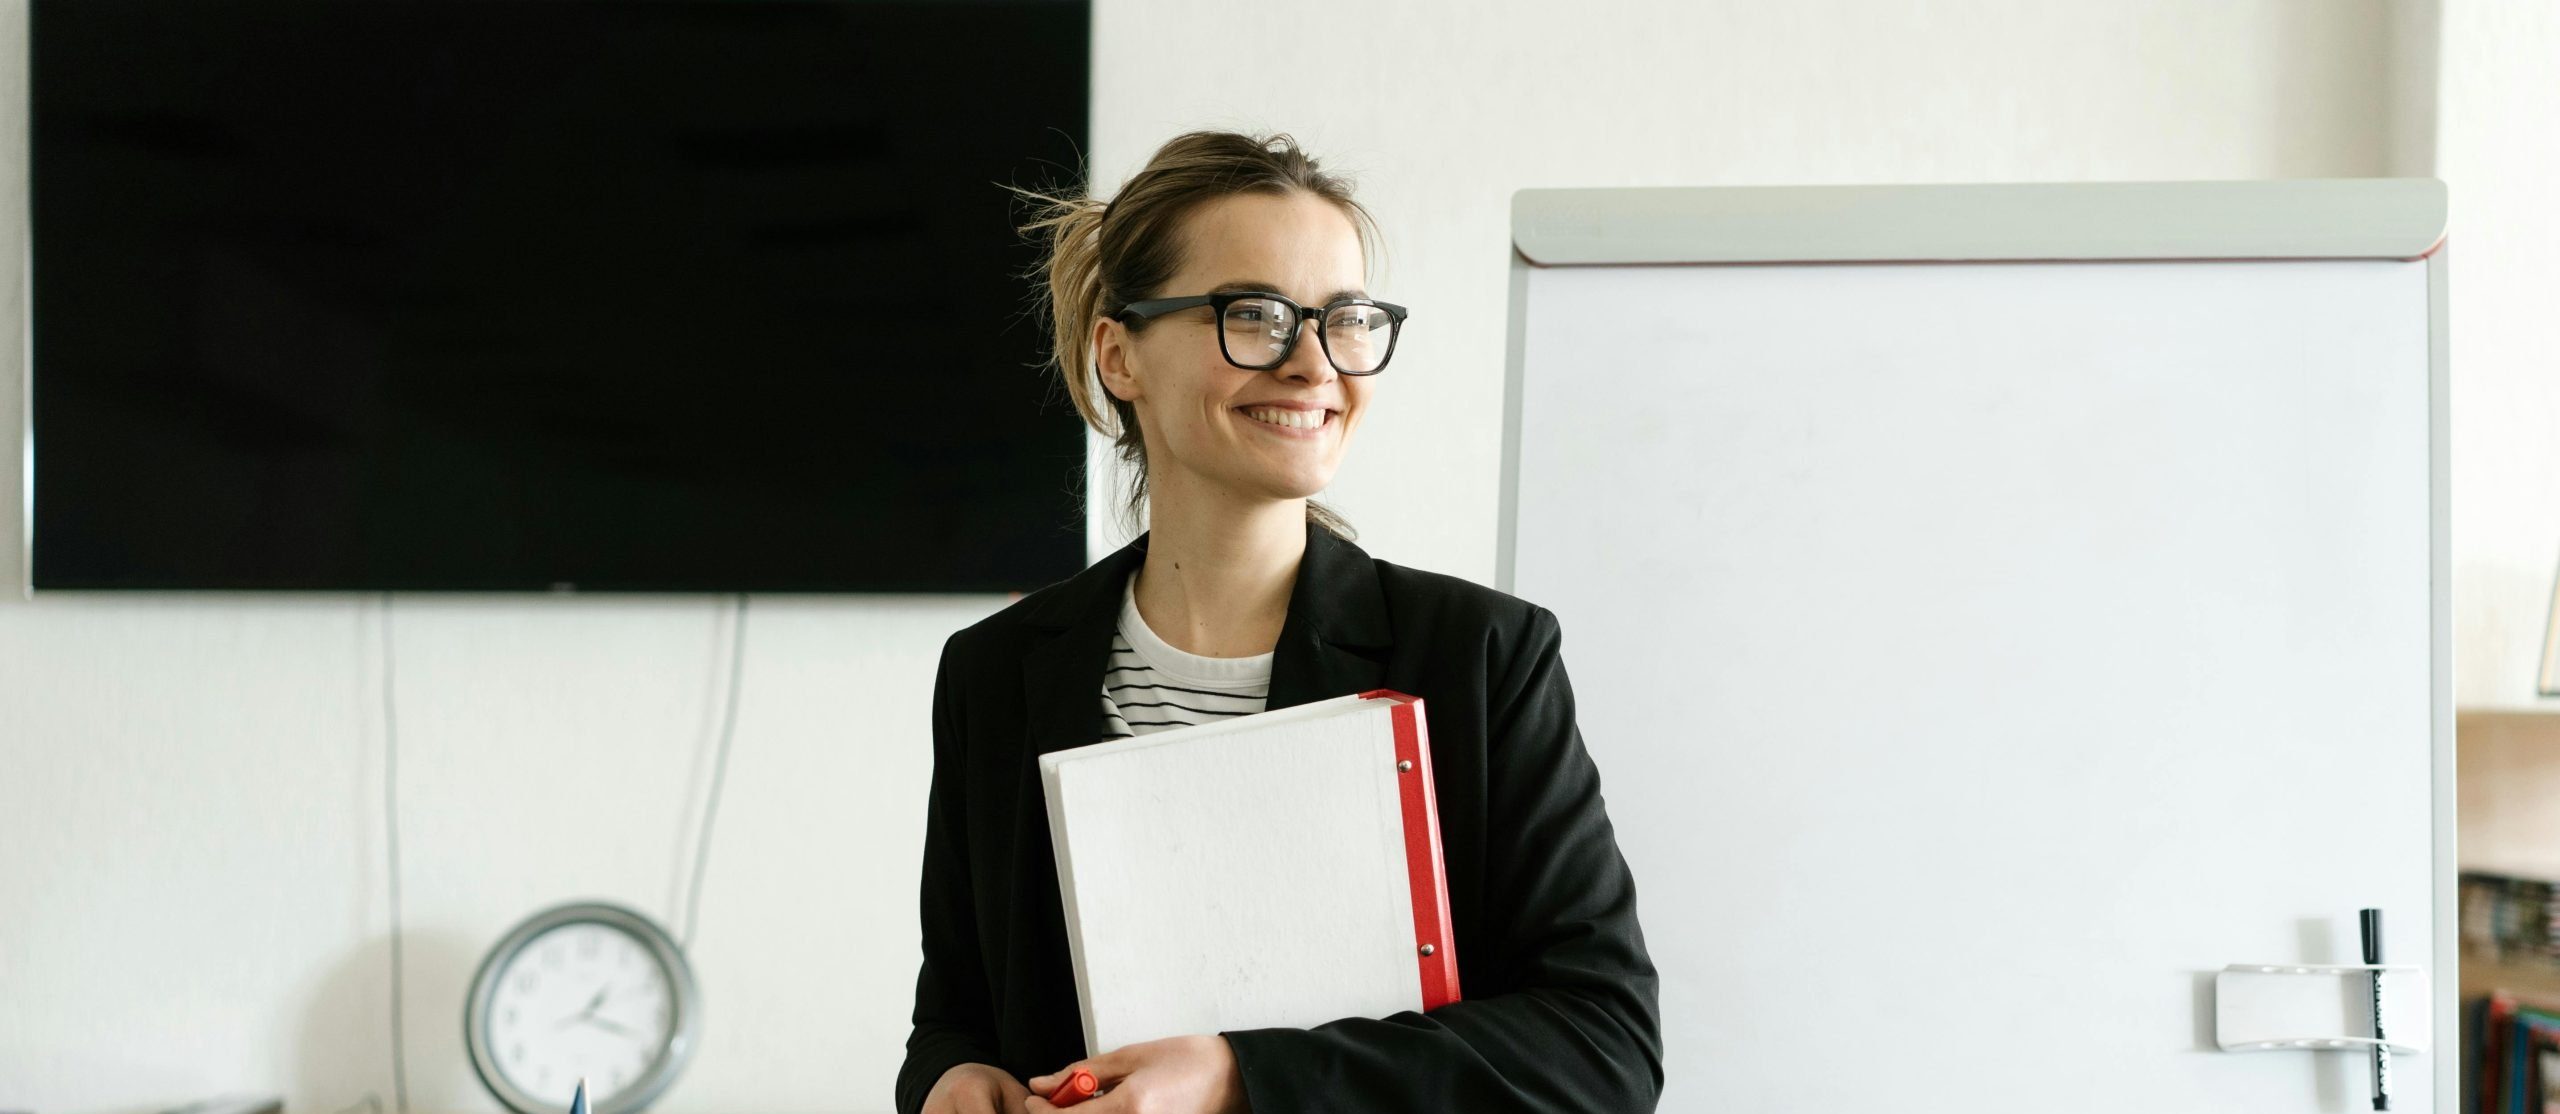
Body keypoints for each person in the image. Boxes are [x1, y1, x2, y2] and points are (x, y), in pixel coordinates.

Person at [898, 130, 1661, 1114]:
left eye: (1343, 319)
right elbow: (954, 1014)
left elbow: (1601, 1048)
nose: (1313, 365)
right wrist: (951, 1082)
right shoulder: (995, 671)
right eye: (1253, 315)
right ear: (1117, 353)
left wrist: (1237, 1077)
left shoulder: (1480, 656)